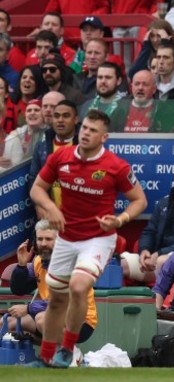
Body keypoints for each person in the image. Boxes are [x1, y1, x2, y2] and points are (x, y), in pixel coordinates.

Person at [28, 109, 147, 368]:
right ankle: (47, 355)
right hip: (66, 238)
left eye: (93, 131)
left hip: (98, 238)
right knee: (57, 298)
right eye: (84, 129)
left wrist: (120, 220)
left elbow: (139, 200)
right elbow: (37, 188)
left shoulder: (116, 166)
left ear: (103, 137)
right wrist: (52, 209)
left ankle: (68, 349)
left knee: (79, 287)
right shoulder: (61, 157)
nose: (86, 134)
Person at [1, 220, 97, 344]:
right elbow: (19, 289)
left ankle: (68, 354)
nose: (43, 243)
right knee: (6, 323)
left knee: (42, 320)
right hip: (49, 313)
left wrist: (28, 308)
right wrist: (21, 265)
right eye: (40, 239)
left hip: (82, 321)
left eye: (48, 239)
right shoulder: (38, 261)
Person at [28, 99, 79, 215]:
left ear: (76, 120)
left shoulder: (84, 146)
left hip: (77, 217)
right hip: (50, 215)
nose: (60, 120)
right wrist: (38, 206)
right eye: (56, 116)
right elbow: (33, 178)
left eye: (66, 116)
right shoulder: (42, 147)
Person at [0, 100, 46, 172]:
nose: (32, 113)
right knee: (12, 139)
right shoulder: (21, 131)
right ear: (25, 116)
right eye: (29, 110)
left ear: (43, 114)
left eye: (36, 110)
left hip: (41, 170)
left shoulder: (48, 132)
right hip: (18, 172)